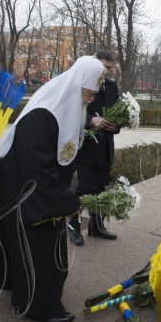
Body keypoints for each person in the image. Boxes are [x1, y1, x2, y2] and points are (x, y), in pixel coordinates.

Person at [0, 56, 105, 322]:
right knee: (39, 245)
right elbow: (39, 171)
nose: (91, 98)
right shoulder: (44, 114)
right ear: (77, 85)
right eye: (89, 93)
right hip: (27, 187)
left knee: (28, 244)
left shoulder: (67, 104)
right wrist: (68, 200)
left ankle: (16, 282)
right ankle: (38, 305)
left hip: (35, 185)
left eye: (94, 94)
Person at [68, 51, 120, 246]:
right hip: (86, 147)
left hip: (105, 148)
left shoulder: (113, 86)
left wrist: (116, 126)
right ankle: (73, 224)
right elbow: (72, 111)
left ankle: (96, 226)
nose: (106, 71)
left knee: (101, 190)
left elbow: (118, 112)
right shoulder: (82, 84)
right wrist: (91, 120)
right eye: (103, 67)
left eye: (109, 68)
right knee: (83, 190)